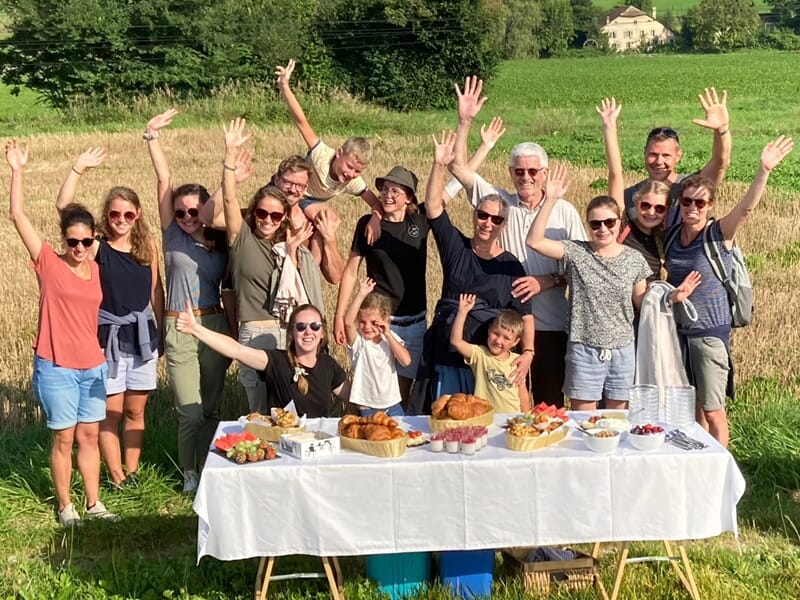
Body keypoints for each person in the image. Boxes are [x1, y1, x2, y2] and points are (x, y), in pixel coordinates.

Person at [334, 120, 506, 406]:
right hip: (378, 321)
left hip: (414, 321)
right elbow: (351, 271)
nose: (388, 195)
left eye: (396, 191)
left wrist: (485, 146)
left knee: (403, 391)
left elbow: (458, 182)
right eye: (385, 189)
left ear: (409, 198)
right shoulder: (367, 224)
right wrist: (341, 316)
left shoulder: (421, 219)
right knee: (372, 389)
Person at [448, 76, 586, 408]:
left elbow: (585, 268)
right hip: (504, 331)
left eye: (532, 171)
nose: (525, 177)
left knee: (549, 407)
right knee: (506, 408)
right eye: (519, 171)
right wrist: (464, 121)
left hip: (550, 325)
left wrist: (548, 281)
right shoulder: (499, 204)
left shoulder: (565, 212)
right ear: (510, 173)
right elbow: (457, 167)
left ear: (546, 172)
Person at [6, 140, 118, 525]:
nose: (80, 247)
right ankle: (65, 506)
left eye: (87, 241)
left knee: (89, 438)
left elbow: (75, 210)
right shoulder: (49, 264)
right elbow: (17, 215)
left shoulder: (98, 266)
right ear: (63, 240)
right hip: (56, 367)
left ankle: (94, 503)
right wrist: (17, 171)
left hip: (93, 367)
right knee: (64, 439)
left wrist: (80, 168)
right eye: (73, 241)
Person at [526, 170, 700, 412]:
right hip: (584, 349)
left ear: (620, 222)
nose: (603, 229)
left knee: (618, 421)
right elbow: (534, 241)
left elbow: (642, 301)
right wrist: (550, 200)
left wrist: (672, 297)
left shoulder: (633, 259)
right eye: (595, 223)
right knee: (584, 421)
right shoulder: (576, 252)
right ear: (588, 226)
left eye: (609, 222)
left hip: (623, 350)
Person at [665, 136, 793, 447]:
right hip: (679, 333)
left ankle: (719, 474)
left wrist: (763, 171)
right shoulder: (670, 236)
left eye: (700, 203)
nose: (693, 208)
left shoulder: (717, 234)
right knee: (691, 409)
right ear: (679, 204)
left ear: (710, 206)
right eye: (687, 201)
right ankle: (697, 464)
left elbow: (747, 209)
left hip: (710, 334)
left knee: (714, 412)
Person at [56, 150, 164, 488]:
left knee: (136, 411)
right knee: (110, 413)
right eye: (114, 213)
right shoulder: (97, 247)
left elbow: (156, 292)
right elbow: (65, 210)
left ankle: (132, 472)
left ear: (138, 215)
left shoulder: (147, 245)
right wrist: (78, 168)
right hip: (107, 339)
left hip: (143, 336)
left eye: (128, 214)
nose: (121, 219)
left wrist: (161, 333)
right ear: (107, 215)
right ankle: (116, 477)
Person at [200, 118, 324, 413]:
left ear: (284, 217)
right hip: (255, 333)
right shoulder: (240, 238)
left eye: (275, 216)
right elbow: (229, 199)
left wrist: (293, 252)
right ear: (253, 212)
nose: (267, 220)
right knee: (259, 410)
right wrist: (229, 158)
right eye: (262, 213)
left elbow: (299, 289)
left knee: (293, 410)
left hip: (289, 333)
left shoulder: (285, 247)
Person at [408, 131, 534, 414]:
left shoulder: (511, 266)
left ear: (504, 224)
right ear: (474, 215)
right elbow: (433, 207)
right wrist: (439, 164)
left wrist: (528, 352)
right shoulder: (457, 247)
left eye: (496, 219)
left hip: (489, 364)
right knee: (447, 419)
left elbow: (525, 314)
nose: (488, 223)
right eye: (482, 215)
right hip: (449, 353)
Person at [144, 109, 232, 494]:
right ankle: (189, 473)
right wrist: (152, 138)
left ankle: (211, 469)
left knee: (212, 408)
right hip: (179, 324)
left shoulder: (221, 239)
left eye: (194, 211)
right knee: (189, 411)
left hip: (214, 324)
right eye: (179, 212)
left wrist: (230, 163)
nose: (185, 217)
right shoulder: (171, 236)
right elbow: (163, 180)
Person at [176, 302, 350, 418]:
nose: (308, 332)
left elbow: (354, 397)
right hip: (284, 446)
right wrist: (195, 329)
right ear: (291, 332)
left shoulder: (329, 365)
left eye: (315, 326)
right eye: (300, 327)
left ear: (322, 334)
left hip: (318, 446)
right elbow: (236, 349)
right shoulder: (277, 361)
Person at [276, 59, 379, 221]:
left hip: (308, 201)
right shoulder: (320, 153)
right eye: (350, 166)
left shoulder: (353, 181)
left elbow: (375, 203)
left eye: (358, 171)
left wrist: (376, 218)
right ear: (339, 153)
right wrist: (284, 86)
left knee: (327, 224)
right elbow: (301, 122)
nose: (351, 174)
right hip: (287, 189)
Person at [623, 87, 731, 228]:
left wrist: (722, 130)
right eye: (653, 154)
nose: (659, 161)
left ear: (678, 156)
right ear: (645, 153)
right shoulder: (630, 195)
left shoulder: (691, 186)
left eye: (666, 155)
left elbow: (720, 163)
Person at [598, 97, 671, 281]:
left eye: (659, 208)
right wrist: (609, 127)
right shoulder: (621, 226)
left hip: (645, 310)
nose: (651, 212)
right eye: (645, 205)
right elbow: (616, 173)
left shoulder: (662, 243)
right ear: (636, 203)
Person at [270, 155, 346, 284]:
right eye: (288, 183)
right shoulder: (261, 217)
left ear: (306, 188)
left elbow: (335, 277)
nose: (293, 190)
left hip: (303, 299)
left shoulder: (315, 223)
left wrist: (329, 239)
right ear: (276, 180)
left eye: (299, 185)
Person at [451, 294, 531, 414]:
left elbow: (522, 393)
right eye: (496, 333)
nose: (498, 341)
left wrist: (526, 417)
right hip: (485, 417)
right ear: (489, 330)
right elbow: (456, 342)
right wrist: (462, 312)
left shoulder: (517, 361)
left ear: (515, 342)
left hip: (511, 419)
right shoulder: (480, 354)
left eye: (506, 338)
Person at [343, 278, 411, 417]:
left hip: (392, 405)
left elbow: (406, 361)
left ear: (385, 320)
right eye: (362, 322)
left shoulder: (389, 339)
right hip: (367, 407)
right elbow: (348, 322)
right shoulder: (359, 342)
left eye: (374, 322)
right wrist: (361, 294)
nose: (367, 327)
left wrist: (388, 334)